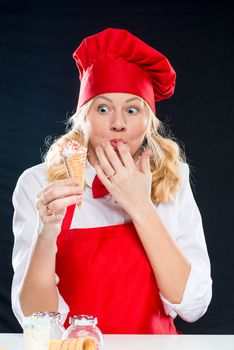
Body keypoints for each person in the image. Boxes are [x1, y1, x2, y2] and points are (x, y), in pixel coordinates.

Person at [11, 27, 212, 334]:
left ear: (149, 122)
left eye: (132, 110)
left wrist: (141, 207)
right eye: (103, 108)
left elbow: (193, 306)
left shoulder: (172, 178)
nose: (118, 124)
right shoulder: (38, 184)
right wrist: (46, 231)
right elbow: (34, 320)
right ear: (83, 117)